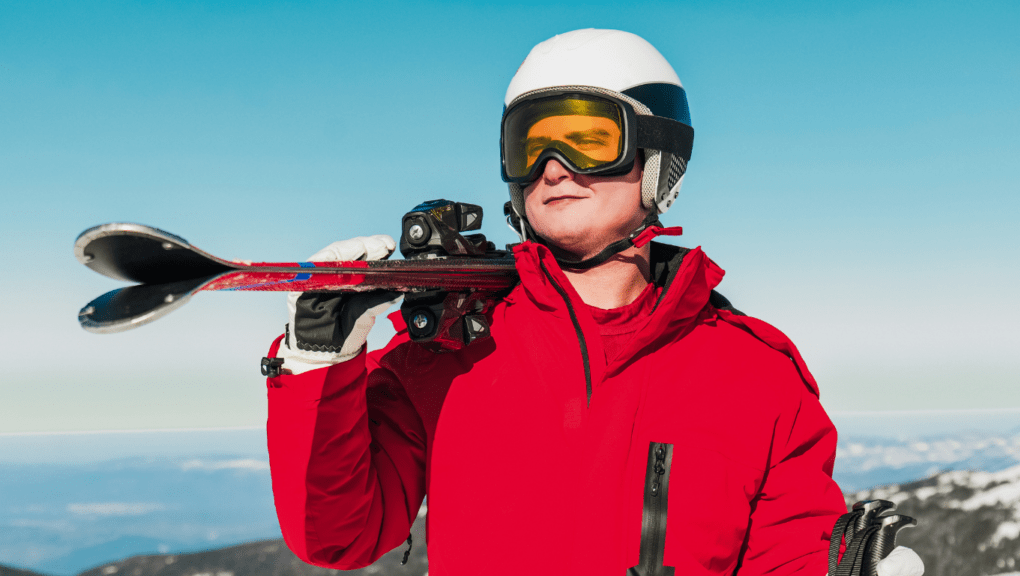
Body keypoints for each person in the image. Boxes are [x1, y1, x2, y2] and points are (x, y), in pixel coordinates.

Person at [264, 29, 924, 575]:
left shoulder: (755, 376)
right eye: (531, 142)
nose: (553, 166)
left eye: (586, 138)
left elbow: (783, 555)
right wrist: (318, 366)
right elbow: (339, 534)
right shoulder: (449, 355)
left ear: (658, 157)